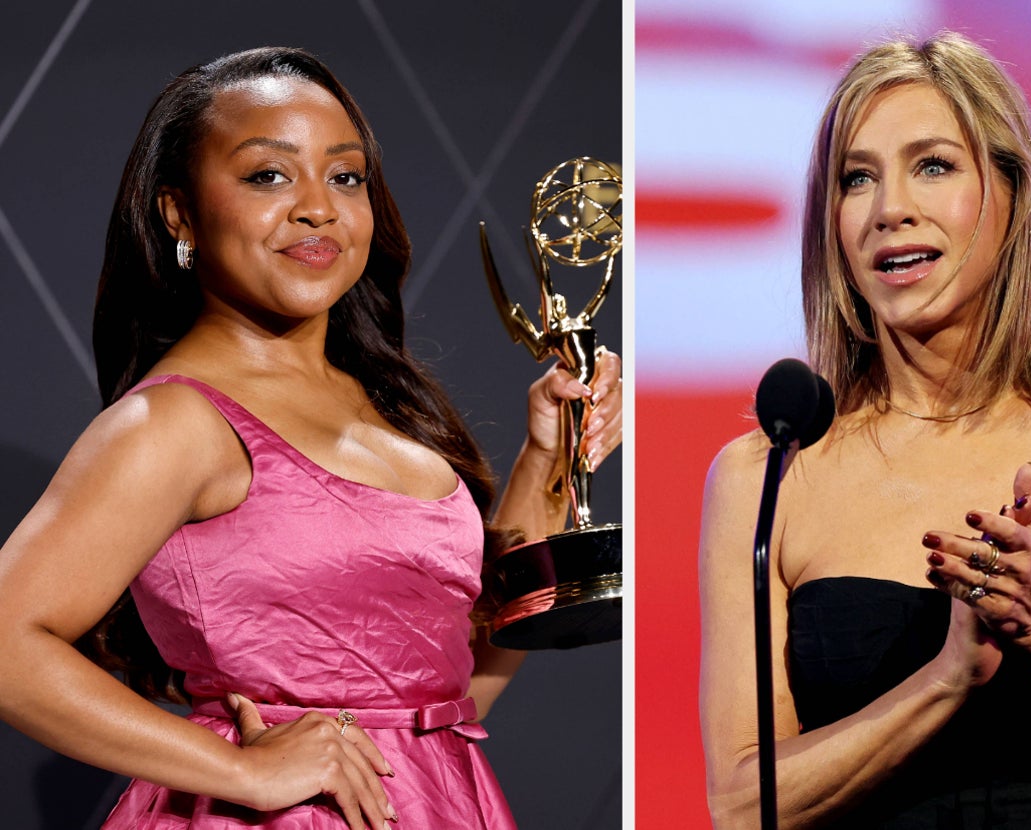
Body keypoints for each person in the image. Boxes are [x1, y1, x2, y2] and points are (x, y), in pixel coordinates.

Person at [0, 47, 621, 829]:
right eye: (269, 175)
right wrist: (235, 768)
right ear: (179, 214)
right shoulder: (174, 423)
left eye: (346, 176)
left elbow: (443, 685)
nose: (317, 207)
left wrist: (549, 460)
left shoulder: (387, 406)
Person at [699, 31, 1031, 829]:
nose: (890, 210)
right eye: (857, 179)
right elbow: (744, 809)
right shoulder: (768, 472)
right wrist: (946, 678)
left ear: (1013, 195)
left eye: (934, 165)